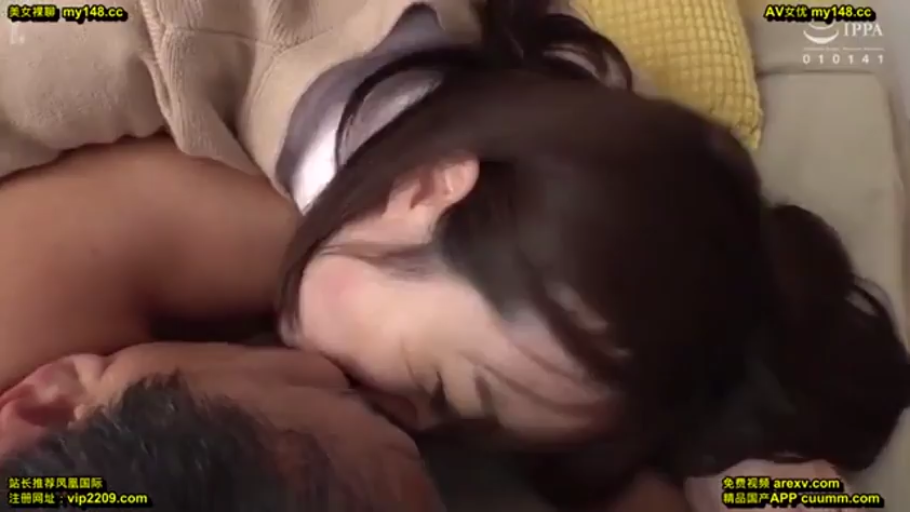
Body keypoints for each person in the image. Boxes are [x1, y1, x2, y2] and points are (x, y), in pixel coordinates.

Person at [0, 139, 444, 512]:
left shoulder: (27, 291)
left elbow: (382, 239)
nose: (416, 406)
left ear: (48, 407)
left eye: (343, 393)